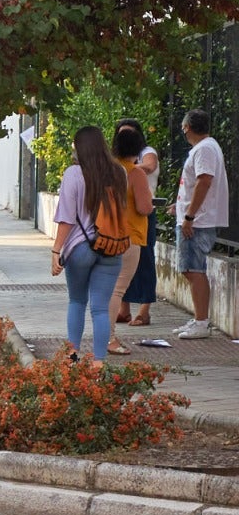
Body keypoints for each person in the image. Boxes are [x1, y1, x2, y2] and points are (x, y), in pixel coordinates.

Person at [50, 126, 128, 360]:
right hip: (112, 246)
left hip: (80, 247)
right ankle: (99, 362)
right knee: (101, 308)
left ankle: (72, 355)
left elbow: (67, 218)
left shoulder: (73, 174)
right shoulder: (119, 172)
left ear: (79, 148)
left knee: (77, 300)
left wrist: (56, 250)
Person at [173, 109, 227, 339]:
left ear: (187, 127)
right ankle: (199, 319)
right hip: (196, 217)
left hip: (198, 220)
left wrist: (189, 216)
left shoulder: (204, 149)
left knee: (193, 269)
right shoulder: (207, 147)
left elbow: (204, 181)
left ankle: (202, 322)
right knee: (191, 268)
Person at [104, 124, 155, 355]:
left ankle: (104, 335)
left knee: (106, 290)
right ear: (138, 148)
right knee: (117, 290)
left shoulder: (108, 170)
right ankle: (109, 338)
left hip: (106, 235)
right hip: (130, 237)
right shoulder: (135, 173)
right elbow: (145, 208)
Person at [117, 119, 160, 327]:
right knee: (122, 263)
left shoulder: (146, 153)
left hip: (143, 214)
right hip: (122, 216)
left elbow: (150, 166)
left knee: (144, 260)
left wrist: (126, 166)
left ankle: (144, 310)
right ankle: (123, 309)